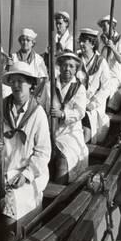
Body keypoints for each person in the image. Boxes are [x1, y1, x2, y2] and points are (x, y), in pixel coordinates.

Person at [0, 62, 51, 221]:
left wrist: (26, 175)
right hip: (0, 168)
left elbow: (43, 153)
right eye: (13, 81)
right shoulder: (1, 107)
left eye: (21, 81)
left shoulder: (37, 113)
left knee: (9, 214)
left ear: (31, 84)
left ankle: (10, 240)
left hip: (27, 172)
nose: (16, 85)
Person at [50, 51, 88, 183]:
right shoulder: (50, 85)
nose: (67, 69)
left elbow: (80, 112)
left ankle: (59, 193)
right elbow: (41, 105)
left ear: (76, 69)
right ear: (59, 67)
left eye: (71, 66)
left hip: (70, 131)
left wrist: (63, 114)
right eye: (65, 65)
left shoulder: (79, 88)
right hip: (50, 129)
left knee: (63, 159)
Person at [77, 28, 111, 144]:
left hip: (92, 103)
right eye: (80, 41)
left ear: (92, 43)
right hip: (76, 99)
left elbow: (106, 87)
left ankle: (82, 147)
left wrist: (93, 103)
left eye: (84, 41)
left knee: (86, 124)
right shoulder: (76, 59)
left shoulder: (101, 62)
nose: (81, 44)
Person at [97, 15, 121, 111]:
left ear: (112, 26)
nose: (103, 29)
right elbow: (99, 56)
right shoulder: (102, 40)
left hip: (114, 75)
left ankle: (109, 111)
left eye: (105, 26)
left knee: (108, 88)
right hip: (103, 73)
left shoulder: (120, 40)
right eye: (102, 27)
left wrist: (112, 47)